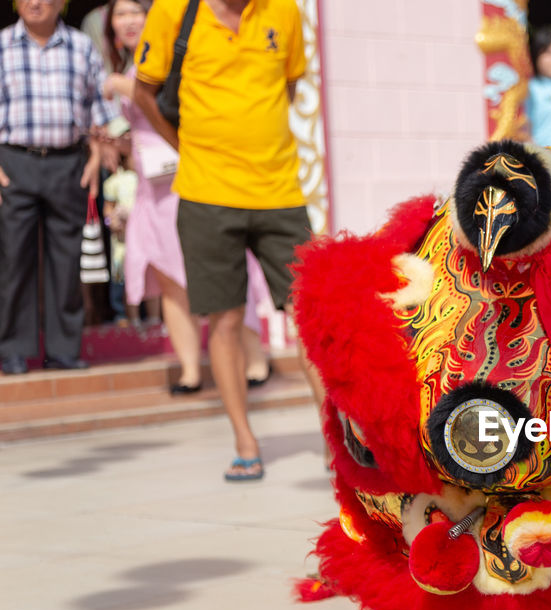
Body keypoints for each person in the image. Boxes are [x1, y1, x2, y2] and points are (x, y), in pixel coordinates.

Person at [133, 0, 323, 481]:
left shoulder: (283, 11)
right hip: (206, 193)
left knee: (313, 312)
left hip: (280, 190)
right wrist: (187, 147)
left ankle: (335, 439)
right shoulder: (175, 10)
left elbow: (290, 81)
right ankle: (244, 439)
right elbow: (144, 91)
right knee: (225, 319)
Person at [102, 0, 271, 394]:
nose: (127, 21)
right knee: (168, 279)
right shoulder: (130, 63)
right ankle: (191, 370)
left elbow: (163, 99)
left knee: (217, 269)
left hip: (188, 178)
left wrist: (119, 85)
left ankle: (255, 360)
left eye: (134, 12)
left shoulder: (172, 53)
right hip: (150, 184)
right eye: (119, 15)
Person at [0, 0, 119, 376]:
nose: (36, 3)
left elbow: (99, 107)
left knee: (66, 259)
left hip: (69, 161)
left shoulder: (81, 46)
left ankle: (63, 349)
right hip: (12, 161)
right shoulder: (2, 45)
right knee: (13, 258)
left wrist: (99, 152)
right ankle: (13, 349)